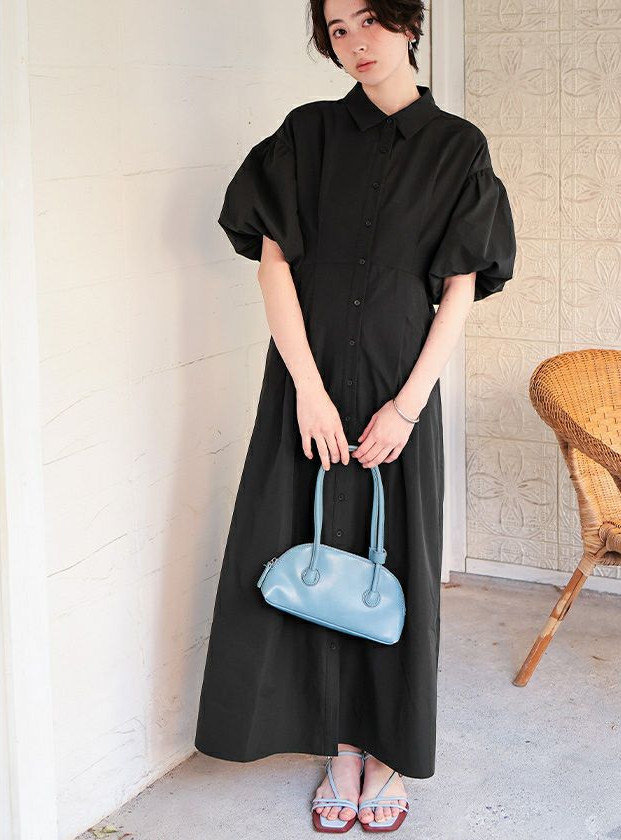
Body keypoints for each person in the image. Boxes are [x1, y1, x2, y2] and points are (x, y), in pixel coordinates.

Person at [194, 0, 516, 831]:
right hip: (307, 384)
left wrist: (407, 408)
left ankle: (388, 754)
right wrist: (305, 388)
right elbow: (272, 266)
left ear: (408, 23)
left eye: (370, 20)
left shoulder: (458, 148)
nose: (355, 42)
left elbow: (459, 291)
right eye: (338, 30)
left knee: (391, 559)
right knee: (304, 553)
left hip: (398, 390)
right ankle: (338, 748)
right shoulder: (305, 135)